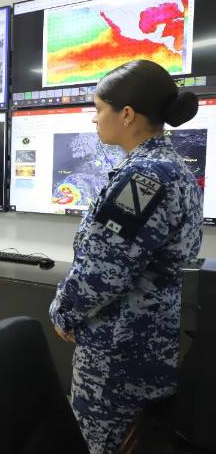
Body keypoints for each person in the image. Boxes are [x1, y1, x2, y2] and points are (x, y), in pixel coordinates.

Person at [49, 60, 203, 453]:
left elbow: (103, 271)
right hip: (150, 343)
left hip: (117, 356)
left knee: (102, 445)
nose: (94, 118)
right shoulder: (173, 167)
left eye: (99, 109)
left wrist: (63, 311)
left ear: (127, 114)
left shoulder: (142, 178)